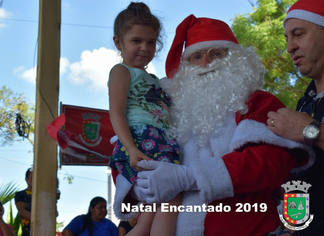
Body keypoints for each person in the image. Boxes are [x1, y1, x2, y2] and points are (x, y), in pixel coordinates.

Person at [111, 15, 318, 236]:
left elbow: (271, 163)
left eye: (217, 54)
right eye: (196, 56)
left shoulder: (256, 102)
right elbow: (128, 152)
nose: (205, 64)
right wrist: (141, 186)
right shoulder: (168, 110)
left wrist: (190, 177)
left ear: (237, 60)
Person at [108, 2, 181, 236]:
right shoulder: (121, 71)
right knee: (172, 193)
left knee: (154, 210)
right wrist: (130, 148)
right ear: (118, 42)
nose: (144, 47)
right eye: (136, 41)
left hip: (161, 141)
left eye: (151, 42)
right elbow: (116, 111)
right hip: (141, 142)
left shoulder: (153, 78)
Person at [266, 0, 324, 235]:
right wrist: (292, 225)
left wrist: (310, 130)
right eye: (287, 39)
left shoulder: (304, 118)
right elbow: (301, 178)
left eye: (298, 34)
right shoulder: (305, 102)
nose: (290, 47)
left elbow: (309, 131)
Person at [14, 168, 32, 236]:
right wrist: (41, 219)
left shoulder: (44, 196)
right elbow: (22, 212)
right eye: (31, 178)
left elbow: (55, 213)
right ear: (26, 179)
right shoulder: (20, 194)